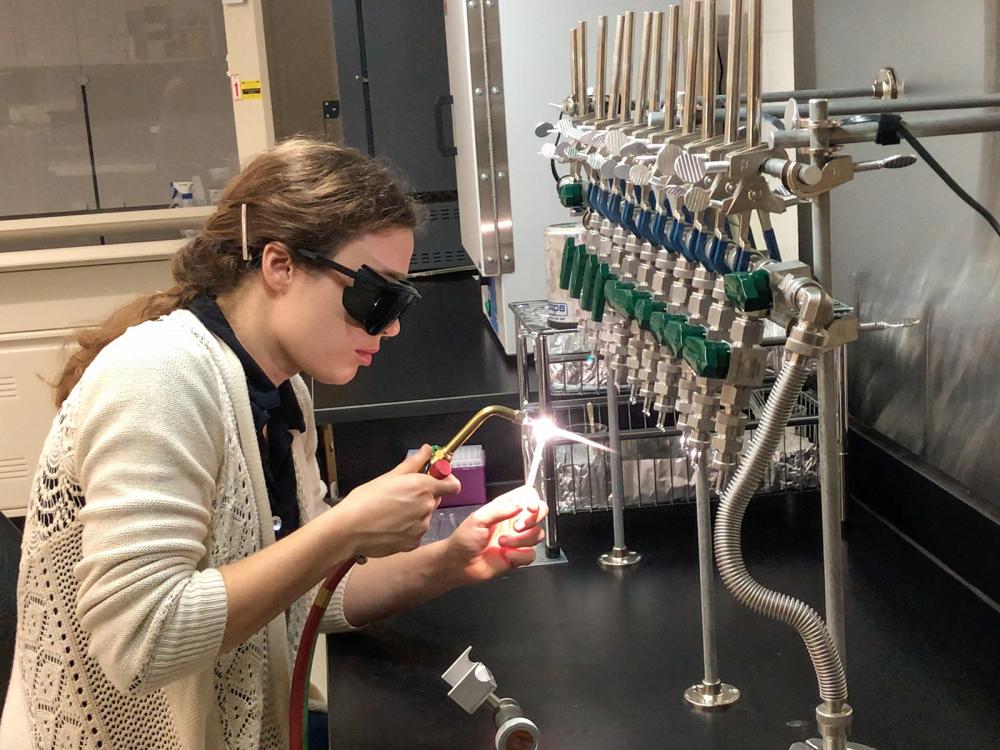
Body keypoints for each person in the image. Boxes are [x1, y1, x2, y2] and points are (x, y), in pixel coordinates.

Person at [0, 138, 547, 750]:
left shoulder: (277, 395)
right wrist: (343, 531)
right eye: (376, 297)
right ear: (279, 265)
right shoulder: (158, 379)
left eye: (400, 303)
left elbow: (304, 592)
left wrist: (451, 559)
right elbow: (141, 641)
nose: (389, 325)